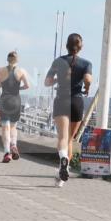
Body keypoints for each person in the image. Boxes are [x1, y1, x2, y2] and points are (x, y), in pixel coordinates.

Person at [44, 33, 93, 187]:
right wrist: (87, 87)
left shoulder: (58, 61)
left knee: (62, 138)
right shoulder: (86, 63)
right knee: (70, 139)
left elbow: (47, 82)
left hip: (61, 100)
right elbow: (87, 79)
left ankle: (63, 159)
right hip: (76, 101)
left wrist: (59, 79)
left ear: (66, 45)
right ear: (81, 47)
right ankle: (61, 176)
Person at [0, 51, 30, 163]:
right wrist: (18, 88)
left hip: (5, 100)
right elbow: (27, 86)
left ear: (7, 59)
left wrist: (1, 83)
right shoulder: (21, 71)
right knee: (13, 126)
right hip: (16, 101)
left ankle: (7, 152)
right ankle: (14, 144)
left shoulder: (0, 71)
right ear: (17, 60)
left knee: (5, 127)